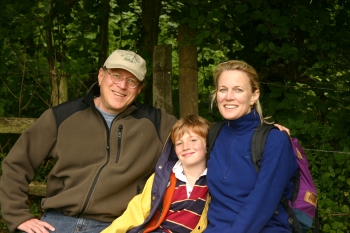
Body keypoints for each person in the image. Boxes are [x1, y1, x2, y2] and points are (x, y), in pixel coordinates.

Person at [0, 49, 177, 233]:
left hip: (117, 226)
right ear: (101, 76)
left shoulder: (157, 124)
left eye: (131, 81)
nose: (122, 85)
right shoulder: (62, 117)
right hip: (58, 221)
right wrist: (18, 216)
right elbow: (17, 165)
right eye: (116, 75)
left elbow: (199, 138)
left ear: (139, 88)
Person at [204, 60, 298, 232]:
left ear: (254, 96)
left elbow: (262, 203)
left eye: (238, 89)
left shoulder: (274, 141)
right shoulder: (213, 134)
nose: (228, 96)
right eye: (223, 89)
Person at [101, 114, 210, 233]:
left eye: (193, 140)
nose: (186, 147)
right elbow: (136, 212)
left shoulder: (216, 179)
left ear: (207, 145)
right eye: (179, 143)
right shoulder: (163, 177)